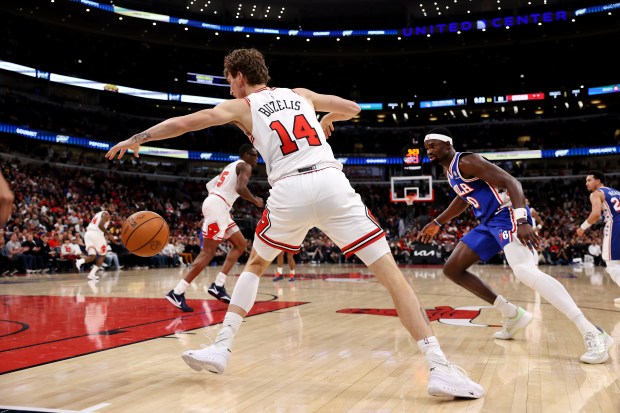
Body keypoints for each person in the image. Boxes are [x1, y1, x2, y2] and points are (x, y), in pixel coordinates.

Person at [105, 48, 483, 399]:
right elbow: (353, 107)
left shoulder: (243, 105)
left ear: (239, 77)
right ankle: (438, 366)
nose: (230, 87)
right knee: (392, 278)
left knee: (254, 263)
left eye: (229, 80)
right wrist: (328, 118)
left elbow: (190, 122)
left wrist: (140, 137)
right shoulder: (300, 93)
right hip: (331, 182)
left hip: (289, 189)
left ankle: (221, 347)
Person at [417, 127, 614, 364]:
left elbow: (512, 182)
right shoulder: (448, 171)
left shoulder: (467, 161)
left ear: (447, 145)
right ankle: (512, 314)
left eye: (433, 146)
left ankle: (593, 331)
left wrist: (521, 219)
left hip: (507, 215)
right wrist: (438, 222)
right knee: (453, 269)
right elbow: (464, 198)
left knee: (524, 271)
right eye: (427, 147)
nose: (429, 150)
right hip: (488, 222)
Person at [164, 144, 263, 311]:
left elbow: (210, 185)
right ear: (246, 155)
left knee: (240, 244)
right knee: (208, 253)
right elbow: (240, 188)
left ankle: (218, 285)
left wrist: (220, 203)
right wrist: (255, 200)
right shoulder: (244, 166)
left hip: (219, 207)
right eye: (254, 155)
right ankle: (177, 292)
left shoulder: (231, 166)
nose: (257, 159)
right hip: (218, 207)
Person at [576, 172, 620, 304]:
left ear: (598, 181)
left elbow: (595, 215)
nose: (586, 183)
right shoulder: (617, 192)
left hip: (615, 226)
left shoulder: (596, 193)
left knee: (612, 265)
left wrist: (582, 227)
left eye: (589, 180)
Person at [75, 209, 113, 281]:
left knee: (92, 256)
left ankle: (80, 262)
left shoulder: (98, 214)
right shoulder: (106, 214)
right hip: (96, 235)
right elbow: (100, 225)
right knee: (102, 255)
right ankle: (92, 273)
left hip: (88, 234)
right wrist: (108, 234)